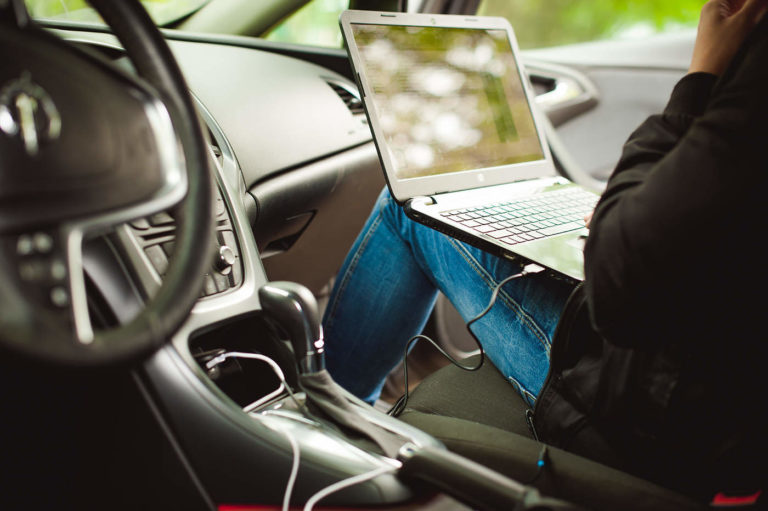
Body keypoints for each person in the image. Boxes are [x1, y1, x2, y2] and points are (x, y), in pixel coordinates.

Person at [322, 0, 768, 502]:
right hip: (714, 397)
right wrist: (632, 215)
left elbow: (619, 294)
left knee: (405, 208)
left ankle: (328, 430)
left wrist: (700, 77)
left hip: (650, 422)